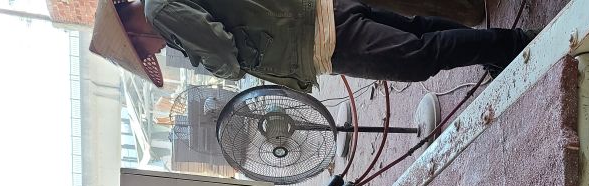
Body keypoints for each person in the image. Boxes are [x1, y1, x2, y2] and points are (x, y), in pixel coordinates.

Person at [89, 0, 536, 91]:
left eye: (145, 51)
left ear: (134, 34)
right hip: (316, 11)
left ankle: (510, 45)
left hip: (316, 40)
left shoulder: (161, 15)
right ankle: (499, 48)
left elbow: (223, 55)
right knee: (415, 31)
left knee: (416, 60)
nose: (155, 51)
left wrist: (218, 68)